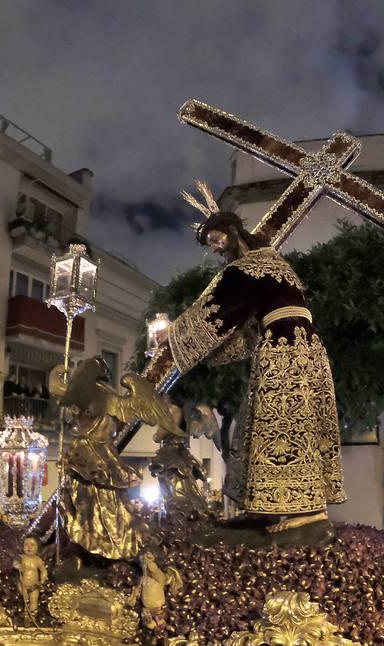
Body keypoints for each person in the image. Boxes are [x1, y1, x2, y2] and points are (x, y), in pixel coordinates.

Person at [145, 184, 345, 533]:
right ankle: (270, 507)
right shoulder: (275, 263)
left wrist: (174, 333)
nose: (218, 250)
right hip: (306, 348)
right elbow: (250, 322)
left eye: (218, 241)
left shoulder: (244, 270)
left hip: (284, 351)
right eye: (212, 247)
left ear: (233, 233)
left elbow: (217, 311)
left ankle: (307, 510)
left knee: (281, 423)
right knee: (278, 422)